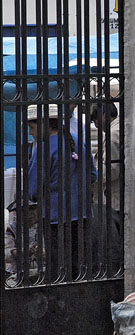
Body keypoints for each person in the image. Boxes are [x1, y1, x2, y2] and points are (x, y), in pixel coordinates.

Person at [27, 104, 97, 280]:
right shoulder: (76, 140)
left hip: (54, 217)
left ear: (44, 124)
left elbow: (33, 188)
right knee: (78, 264)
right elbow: (93, 175)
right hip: (81, 214)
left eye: (31, 127)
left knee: (57, 267)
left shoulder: (43, 148)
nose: (30, 132)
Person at [90, 101, 122, 273]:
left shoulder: (112, 134)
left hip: (112, 198)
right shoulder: (117, 129)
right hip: (112, 197)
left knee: (112, 243)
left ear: (103, 116)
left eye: (95, 121)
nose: (95, 125)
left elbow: (111, 170)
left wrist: (90, 174)